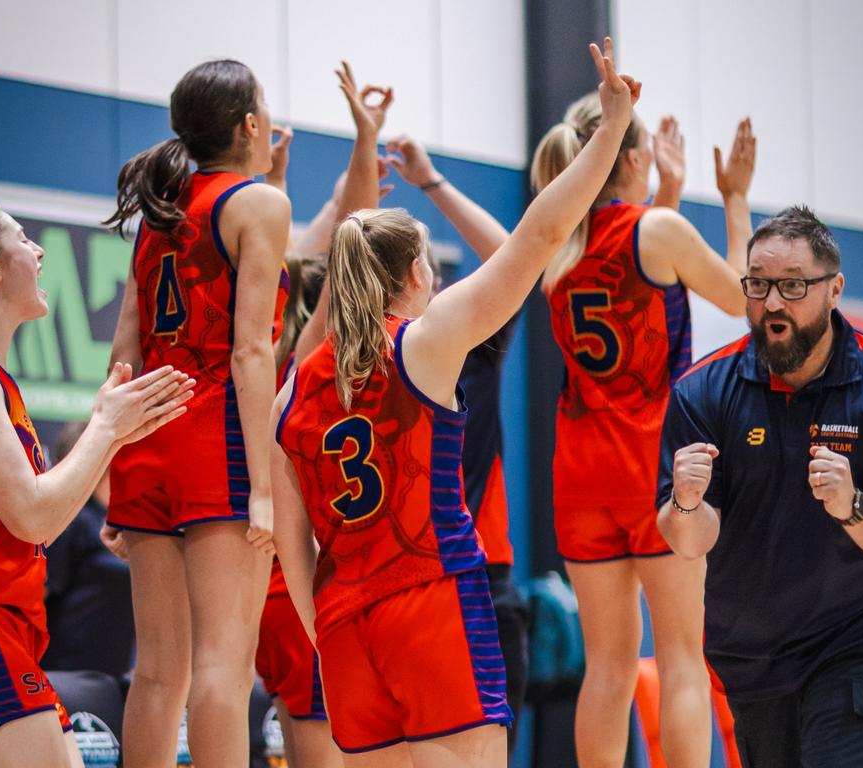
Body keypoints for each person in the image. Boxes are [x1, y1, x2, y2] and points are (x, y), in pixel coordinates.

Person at [270, 37, 638, 768]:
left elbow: (292, 542)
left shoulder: (294, 388)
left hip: (346, 625)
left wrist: (329, 629)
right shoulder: (425, 343)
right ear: (415, 272)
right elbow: (540, 234)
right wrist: (612, 130)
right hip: (432, 599)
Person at [656, 205, 863, 767]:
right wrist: (686, 504)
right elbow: (689, 541)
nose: (771, 304)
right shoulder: (702, 390)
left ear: (834, 288)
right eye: (758, 285)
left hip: (859, 638)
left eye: (792, 286)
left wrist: (852, 504)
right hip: (752, 648)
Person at [0, 200, 193, 768]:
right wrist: (105, 427)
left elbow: (39, 514)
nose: (39, 251)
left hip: (6, 619)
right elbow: (34, 516)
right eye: (23, 239)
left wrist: (113, 436)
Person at [531, 87, 756, 767]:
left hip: (581, 471)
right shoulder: (656, 232)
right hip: (657, 465)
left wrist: (672, 192)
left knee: (607, 670)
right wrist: (735, 199)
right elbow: (746, 299)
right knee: (684, 657)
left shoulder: (559, 242)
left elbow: (638, 276)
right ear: (631, 157)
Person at [103, 58, 291, 768]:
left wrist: (115, 460)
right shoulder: (258, 205)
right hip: (216, 438)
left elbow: (124, 348)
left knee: (158, 670)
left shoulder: (161, 211)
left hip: (147, 435)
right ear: (249, 125)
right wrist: (264, 487)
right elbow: (250, 353)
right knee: (223, 667)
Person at [255, 62, 394, 768]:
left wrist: (274, 184)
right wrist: (364, 144)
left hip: (263, 593)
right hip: (297, 582)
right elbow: (353, 241)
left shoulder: (252, 345)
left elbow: (300, 250)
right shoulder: (305, 361)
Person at [385, 132, 530, 756]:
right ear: (424, 279)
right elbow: (512, 254)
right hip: (470, 577)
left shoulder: (341, 366)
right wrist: (430, 182)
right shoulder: (457, 348)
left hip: (389, 584)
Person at [42, 422, 135, 677]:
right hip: (63, 672)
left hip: (112, 671)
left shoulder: (123, 521)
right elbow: (41, 595)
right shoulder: (72, 522)